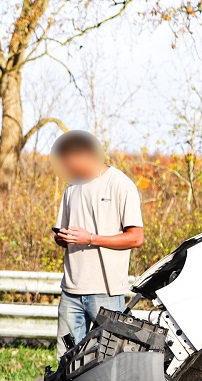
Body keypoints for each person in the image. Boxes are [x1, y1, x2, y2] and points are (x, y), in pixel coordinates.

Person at [51, 130, 144, 357]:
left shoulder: (121, 185)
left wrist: (90, 238)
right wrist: (62, 238)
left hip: (107, 293)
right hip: (71, 292)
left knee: (110, 360)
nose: (69, 168)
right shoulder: (71, 188)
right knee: (68, 359)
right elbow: (63, 235)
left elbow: (136, 238)